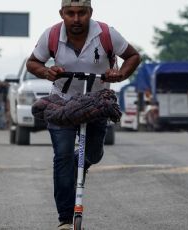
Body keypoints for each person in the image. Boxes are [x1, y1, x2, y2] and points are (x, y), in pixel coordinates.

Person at [26, 1, 141, 229]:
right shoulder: (51, 35)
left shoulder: (107, 34)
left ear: (90, 13)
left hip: (97, 103)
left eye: (82, 13)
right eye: (71, 13)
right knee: (63, 157)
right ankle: (66, 220)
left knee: (94, 155)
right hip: (62, 104)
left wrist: (119, 73)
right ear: (62, 14)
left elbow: (133, 57)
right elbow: (32, 63)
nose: (76, 19)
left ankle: (83, 161)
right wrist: (47, 71)